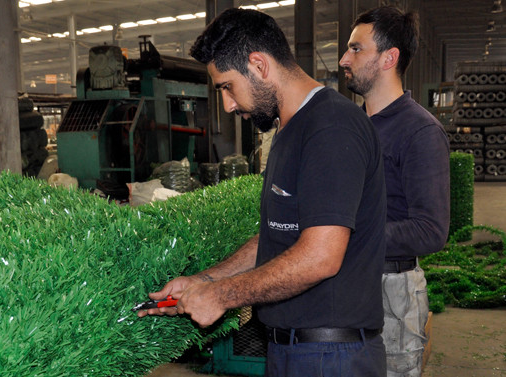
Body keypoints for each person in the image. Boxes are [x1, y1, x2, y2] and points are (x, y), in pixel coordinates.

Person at [137, 8, 388, 376]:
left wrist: (222, 296)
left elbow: (321, 256)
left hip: (331, 357)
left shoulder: (331, 128)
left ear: (259, 64)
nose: (228, 104)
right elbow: (276, 236)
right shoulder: (289, 131)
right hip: (294, 350)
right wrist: (205, 281)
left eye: (226, 86)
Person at [339, 6, 450, 377]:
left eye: (356, 49)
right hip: (346, 278)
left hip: (392, 291)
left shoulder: (419, 132)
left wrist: (344, 237)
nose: (344, 59)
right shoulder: (351, 125)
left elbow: (430, 230)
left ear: (389, 58)